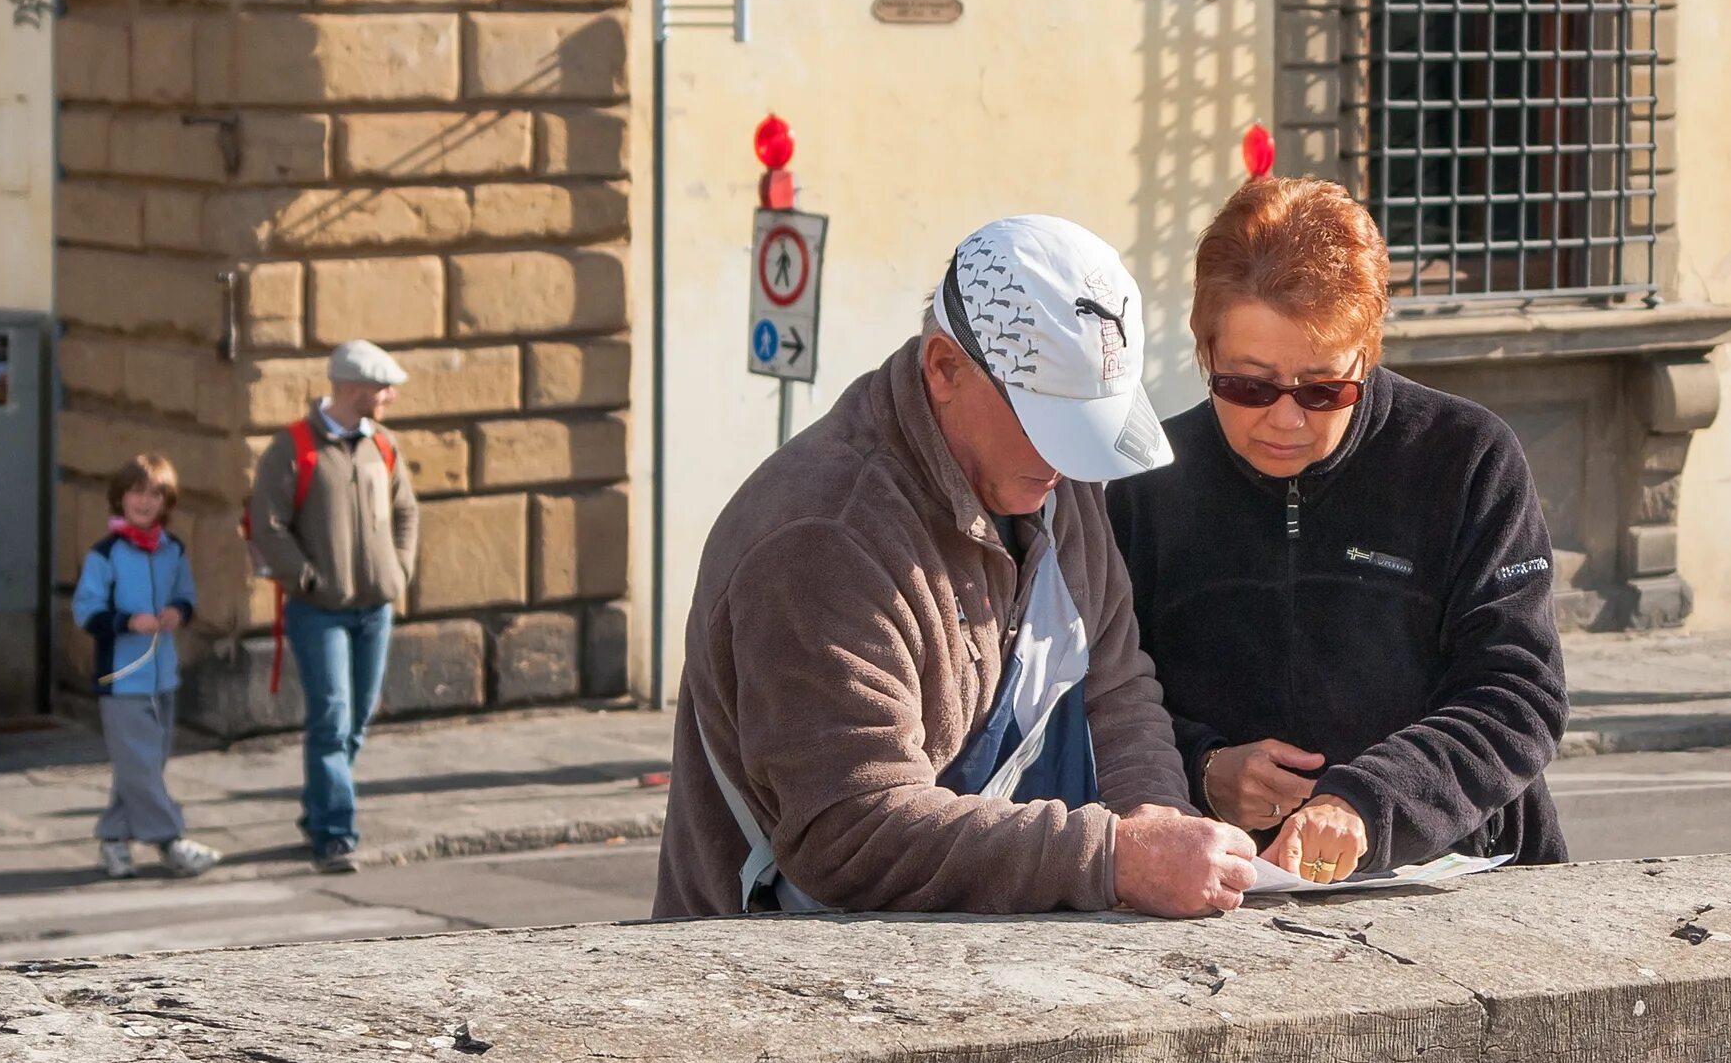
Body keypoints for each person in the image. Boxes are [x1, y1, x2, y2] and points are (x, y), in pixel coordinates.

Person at [654, 214, 1257, 919]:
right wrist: (1115, 857)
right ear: (945, 368)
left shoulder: (1052, 483)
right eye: (1048, 423)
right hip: (780, 984)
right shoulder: (821, 541)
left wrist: (1158, 824)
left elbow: (1115, 691)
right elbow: (852, 830)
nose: (1068, 463)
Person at [1109, 178, 1567, 884]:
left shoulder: (1468, 457)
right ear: (1205, 353)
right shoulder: (1147, 485)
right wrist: (1204, 767)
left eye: (1325, 389)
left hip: (1468, 877)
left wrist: (1367, 803)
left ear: (1369, 352)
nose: (1284, 420)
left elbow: (1519, 694)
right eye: (1249, 386)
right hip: (1232, 889)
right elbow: (1102, 694)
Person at [247, 339, 419, 875]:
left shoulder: (382, 445)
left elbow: (406, 511)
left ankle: (318, 809)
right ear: (349, 388)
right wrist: (304, 577)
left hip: (375, 607)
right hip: (318, 609)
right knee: (331, 717)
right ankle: (335, 833)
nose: (388, 396)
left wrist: (400, 570)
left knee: (357, 720)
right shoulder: (293, 447)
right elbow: (265, 521)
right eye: (380, 388)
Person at [72, 453, 220, 879]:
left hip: (163, 674)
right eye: (137, 492)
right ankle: (171, 840)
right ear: (120, 498)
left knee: (143, 764)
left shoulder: (173, 549)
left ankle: (114, 840)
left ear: (166, 502)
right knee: (138, 762)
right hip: (120, 679)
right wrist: (126, 621)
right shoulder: (105, 554)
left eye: (155, 494)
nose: (145, 501)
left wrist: (179, 611)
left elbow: (185, 595)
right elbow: (86, 611)